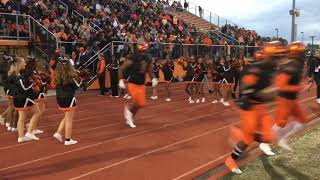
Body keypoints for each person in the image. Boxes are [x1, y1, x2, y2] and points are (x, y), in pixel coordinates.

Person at [224, 41, 287, 174]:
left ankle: (240, 133)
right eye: (277, 57)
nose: (279, 60)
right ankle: (231, 160)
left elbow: (268, 95)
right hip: (250, 107)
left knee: (269, 137)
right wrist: (273, 91)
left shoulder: (272, 69)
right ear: (270, 56)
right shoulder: (254, 69)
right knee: (248, 139)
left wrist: (274, 94)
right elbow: (249, 92)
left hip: (260, 107)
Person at [260, 42, 308, 153]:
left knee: (302, 122)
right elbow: (281, 86)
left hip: (292, 99)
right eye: (302, 52)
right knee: (280, 124)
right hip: (285, 99)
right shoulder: (291, 66)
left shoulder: (295, 64)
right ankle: (264, 142)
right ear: (296, 53)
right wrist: (300, 88)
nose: (304, 55)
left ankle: (282, 138)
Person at [118, 42, 158, 128]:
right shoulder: (133, 58)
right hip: (133, 83)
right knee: (136, 103)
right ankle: (128, 110)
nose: (143, 53)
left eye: (144, 51)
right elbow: (121, 68)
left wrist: (153, 78)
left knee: (141, 104)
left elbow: (149, 70)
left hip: (141, 84)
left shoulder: (147, 58)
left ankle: (130, 116)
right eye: (142, 51)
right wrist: (120, 80)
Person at [53, 56, 82, 145]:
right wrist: (81, 80)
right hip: (69, 98)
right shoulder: (71, 75)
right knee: (69, 119)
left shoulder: (57, 75)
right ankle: (68, 140)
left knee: (66, 116)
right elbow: (77, 87)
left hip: (59, 98)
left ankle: (58, 133)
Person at [12, 57, 41, 143]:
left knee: (22, 117)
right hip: (23, 97)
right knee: (37, 112)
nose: (25, 64)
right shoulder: (17, 75)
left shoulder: (17, 74)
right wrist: (34, 83)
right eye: (23, 62)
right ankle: (29, 132)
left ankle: (21, 137)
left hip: (18, 97)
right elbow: (24, 88)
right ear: (19, 63)